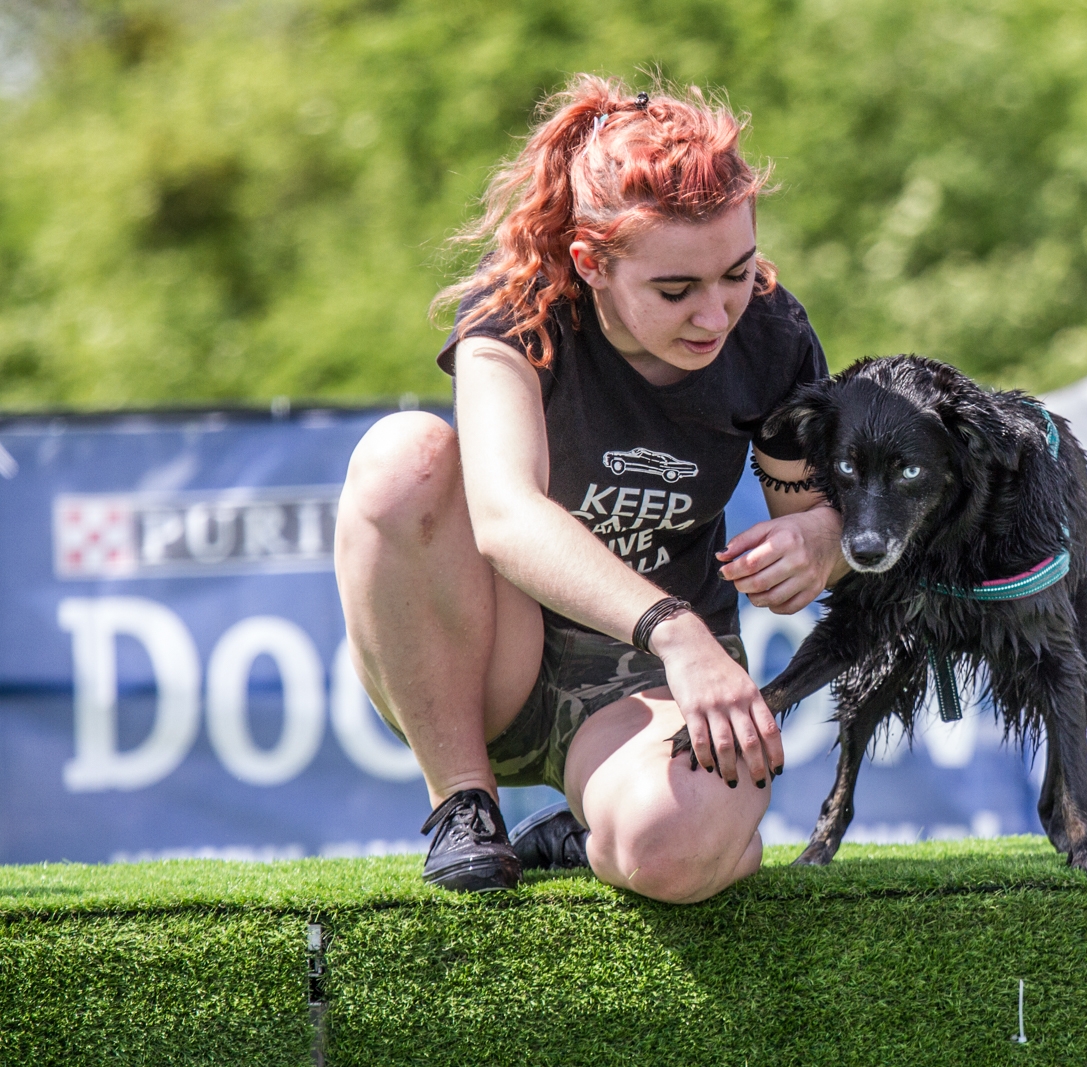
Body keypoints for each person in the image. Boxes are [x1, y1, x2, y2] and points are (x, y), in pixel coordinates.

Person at [333, 75, 847, 903]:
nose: (716, 314)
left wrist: (819, 541)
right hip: (496, 652)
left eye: (737, 272)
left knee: (680, 850)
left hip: (649, 682)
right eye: (675, 290)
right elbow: (505, 517)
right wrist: (677, 630)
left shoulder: (772, 332)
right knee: (403, 456)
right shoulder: (516, 309)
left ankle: (585, 835)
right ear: (591, 263)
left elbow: (815, 522)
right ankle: (464, 804)